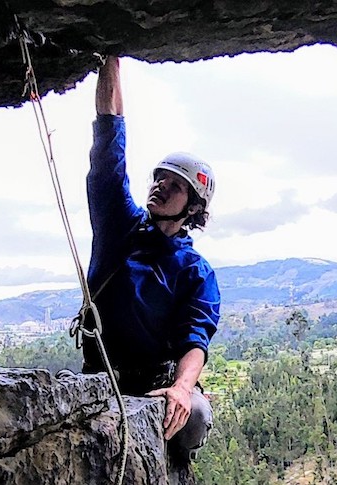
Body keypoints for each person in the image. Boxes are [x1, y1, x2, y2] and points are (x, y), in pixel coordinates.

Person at [82, 56, 220, 460]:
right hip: (103, 375)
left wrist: (181, 387)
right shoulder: (119, 226)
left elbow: (195, 337)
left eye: (175, 186)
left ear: (192, 208)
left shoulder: (195, 271)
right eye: (160, 178)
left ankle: (174, 463)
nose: (161, 187)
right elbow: (108, 153)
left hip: (156, 381)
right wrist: (110, 61)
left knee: (192, 413)